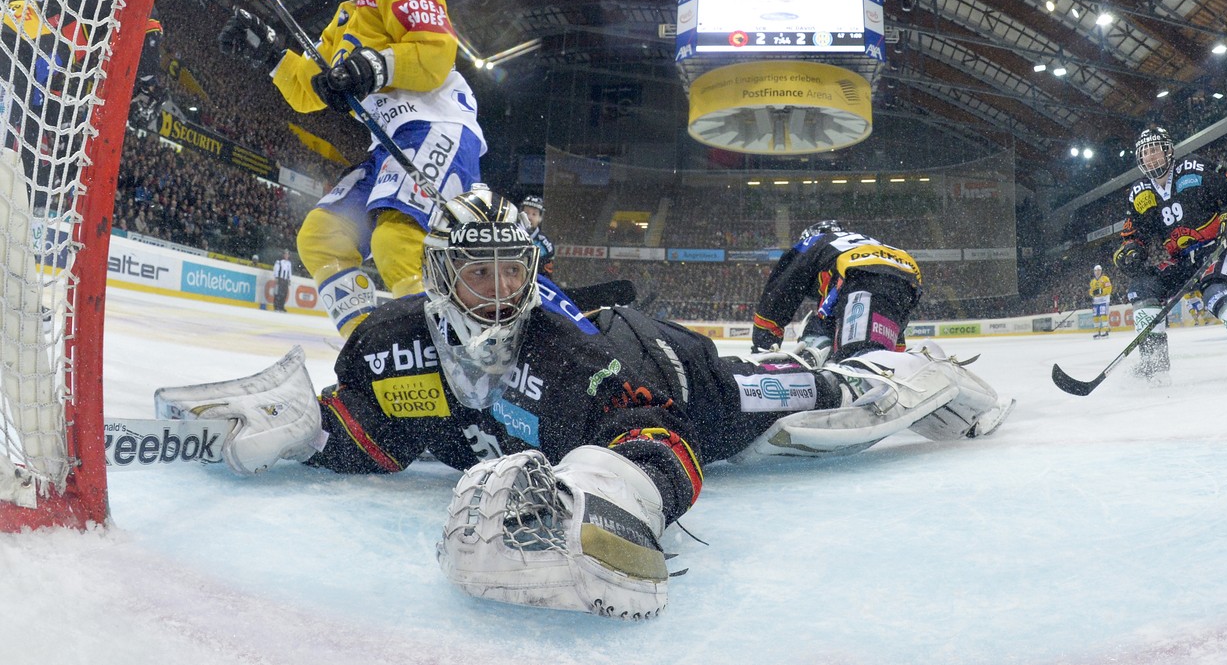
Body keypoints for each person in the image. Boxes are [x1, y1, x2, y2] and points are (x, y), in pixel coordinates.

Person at [154, 185, 1013, 620]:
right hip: (612, 366)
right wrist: (312, 430)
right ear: (441, 276)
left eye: (512, 270)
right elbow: (378, 429)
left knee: (826, 397)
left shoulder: (567, 360)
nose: (497, 291)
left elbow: (661, 442)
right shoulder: (391, 342)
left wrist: (613, 503)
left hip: (681, 380)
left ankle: (914, 373)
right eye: (477, 271)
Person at [217, 0, 483, 337]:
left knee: (397, 243)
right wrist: (269, 52)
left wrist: (371, 67)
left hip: (435, 124)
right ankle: (369, 348)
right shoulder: (345, 20)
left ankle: (440, 351)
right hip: (389, 143)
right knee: (322, 237)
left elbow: (436, 53)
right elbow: (309, 91)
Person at [1112, 125, 1227, 387]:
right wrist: (1131, 249)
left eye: (1155, 149)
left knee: (1216, 291)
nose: (1151, 157)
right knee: (1143, 288)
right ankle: (1154, 365)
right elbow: (1134, 233)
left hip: (1219, 247)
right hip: (1182, 260)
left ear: (1168, 151)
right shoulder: (1139, 193)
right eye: (1145, 153)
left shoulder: (1194, 167)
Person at [750, 220, 922, 367]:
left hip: (858, 272)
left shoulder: (812, 242)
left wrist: (762, 347)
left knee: (840, 352)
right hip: (907, 275)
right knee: (883, 354)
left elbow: (780, 292)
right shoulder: (859, 241)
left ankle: (815, 384)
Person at [518, 194, 555, 276]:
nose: (529, 217)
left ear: (540, 218)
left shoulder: (545, 244)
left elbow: (547, 275)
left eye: (534, 214)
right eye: (526, 213)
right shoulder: (510, 235)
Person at [1088, 264, 1112, 338]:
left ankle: (1106, 331)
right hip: (1096, 301)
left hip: (1104, 300)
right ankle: (1097, 332)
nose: (1097, 272)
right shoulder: (1092, 282)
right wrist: (1092, 294)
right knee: (1096, 316)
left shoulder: (1105, 279)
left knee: (1103, 315)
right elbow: (1091, 291)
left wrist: (1101, 291)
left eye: (1098, 270)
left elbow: (1109, 289)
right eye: (1095, 270)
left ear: (1101, 271)